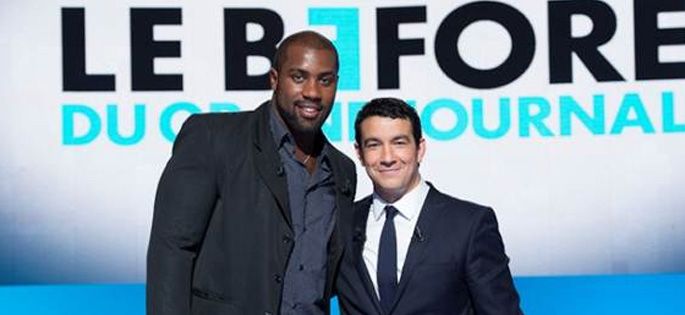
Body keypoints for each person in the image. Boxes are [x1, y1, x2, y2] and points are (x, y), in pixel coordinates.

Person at [147, 31, 357, 315]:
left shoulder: (342, 171)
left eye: (325, 80)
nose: (312, 92)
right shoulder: (214, 138)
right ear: (274, 79)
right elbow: (172, 249)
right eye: (298, 77)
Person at [336, 97, 522, 315]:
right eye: (374, 145)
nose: (387, 157)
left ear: (420, 149)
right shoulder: (341, 223)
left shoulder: (470, 225)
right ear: (359, 153)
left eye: (399, 143)